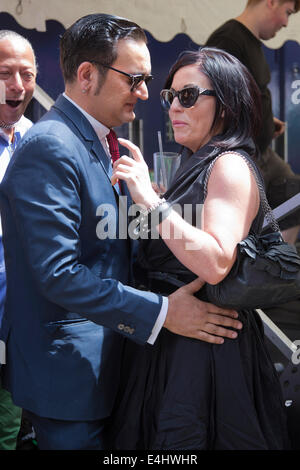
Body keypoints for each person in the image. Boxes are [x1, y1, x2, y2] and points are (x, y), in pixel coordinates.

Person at [0, 15, 241, 451]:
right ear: (88, 75)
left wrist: (153, 206)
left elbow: (108, 244)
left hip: (108, 366)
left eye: (147, 80)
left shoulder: (98, 142)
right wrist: (165, 312)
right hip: (69, 379)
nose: (146, 93)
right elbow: (59, 274)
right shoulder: (51, 146)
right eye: (135, 79)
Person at [109, 47, 290, 450]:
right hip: (176, 342)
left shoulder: (227, 163)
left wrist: (152, 203)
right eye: (169, 96)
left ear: (224, 107)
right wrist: (155, 202)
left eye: (188, 96)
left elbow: (215, 261)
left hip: (206, 357)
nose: (174, 106)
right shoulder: (196, 161)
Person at [205, 0, 300, 245]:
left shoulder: (250, 42)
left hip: (262, 151)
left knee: (293, 197)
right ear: (271, 2)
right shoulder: (228, 40)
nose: (286, 23)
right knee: (241, 227)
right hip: (243, 155)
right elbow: (214, 102)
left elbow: (245, 96)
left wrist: (267, 119)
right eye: (287, 12)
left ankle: (277, 268)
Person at [0, 30, 36, 451]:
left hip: (20, 324)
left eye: (26, 74)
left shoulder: (38, 142)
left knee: (9, 428)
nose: (19, 85)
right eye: (5, 73)